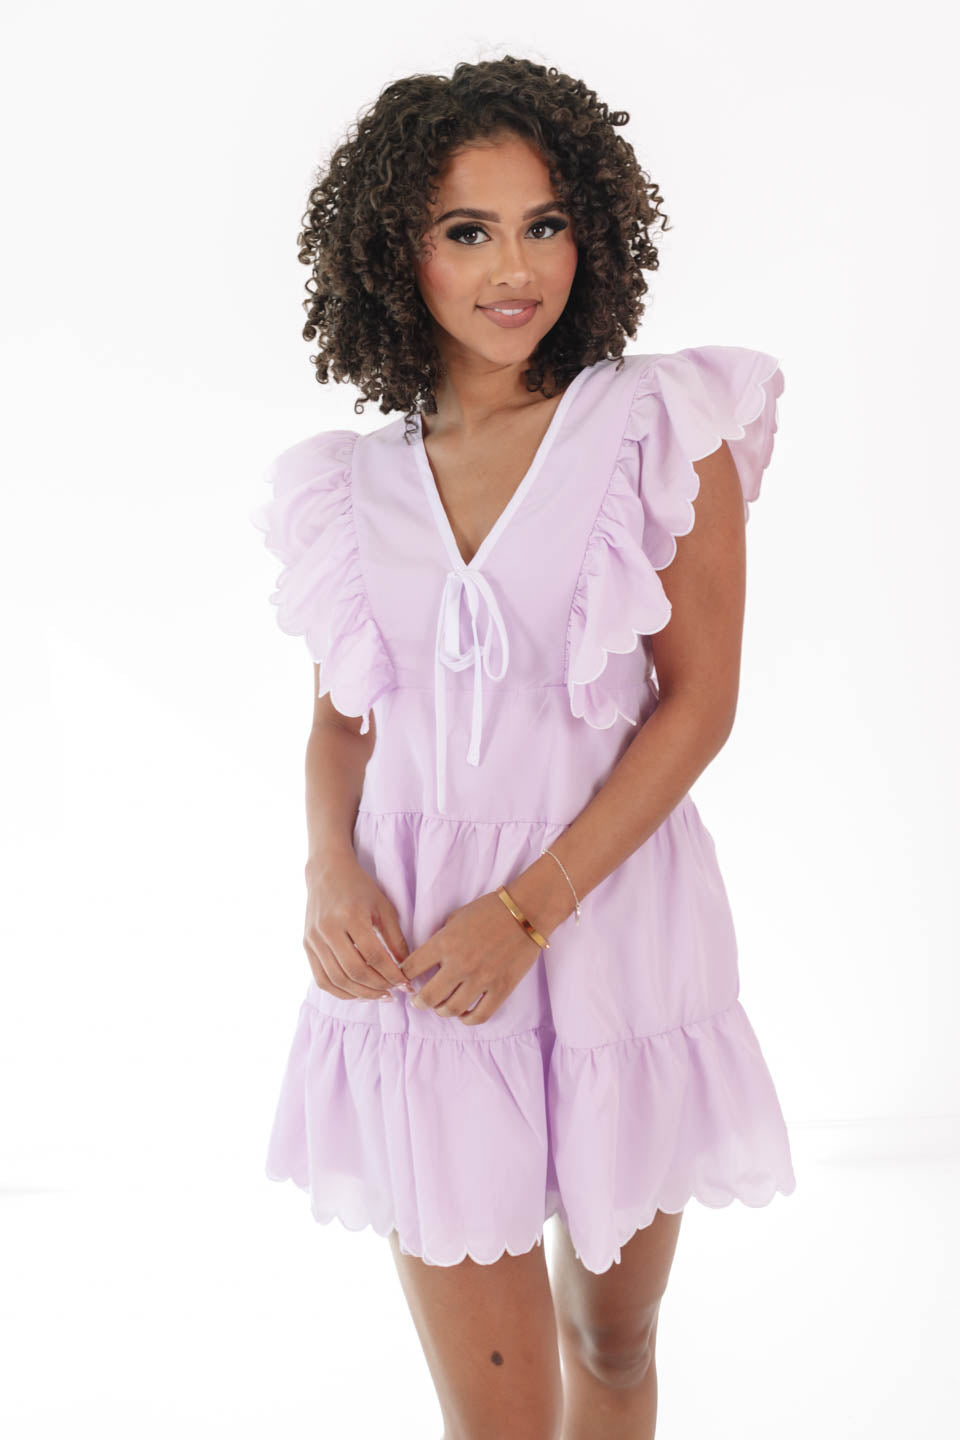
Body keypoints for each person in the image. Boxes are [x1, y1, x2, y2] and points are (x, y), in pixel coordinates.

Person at [251, 54, 797, 1440]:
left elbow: (699, 704)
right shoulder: (348, 486)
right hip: (428, 955)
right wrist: (327, 871)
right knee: (499, 1417)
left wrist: (529, 912)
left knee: (612, 1344)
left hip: (613, 922)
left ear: (591, 232)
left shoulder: (660, 428)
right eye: (468, 230)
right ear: (398, 252)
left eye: (545, 224)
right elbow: (342, 720)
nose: (515, 268)